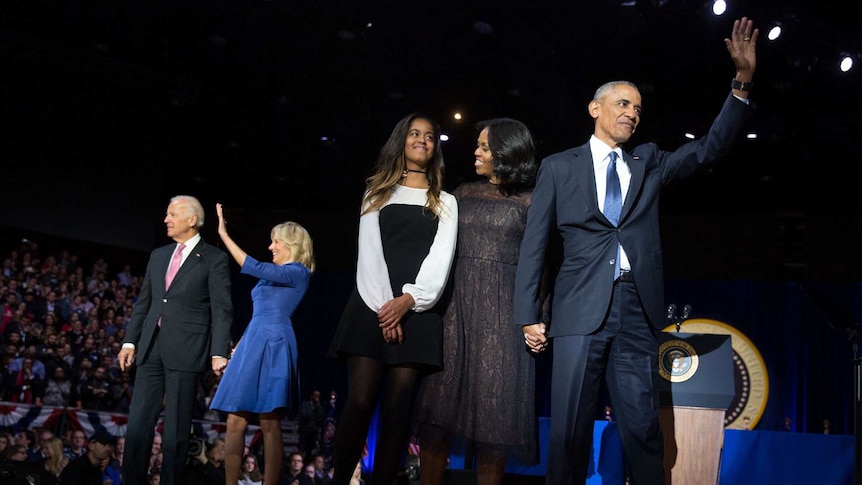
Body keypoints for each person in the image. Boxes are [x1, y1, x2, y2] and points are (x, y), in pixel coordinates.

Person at [512, 17, 759, 485]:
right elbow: (535, 244)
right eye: (622, 103)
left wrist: (741, 83)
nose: (631, 113)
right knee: (568, 432)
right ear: (594, 108)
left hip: (636, 313)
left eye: (638, 108)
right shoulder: (559, 167)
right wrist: (528, 312)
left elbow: (711, 149)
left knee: (644, 430)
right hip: (578, 310)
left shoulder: (650, 164)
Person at [413, 118, 547, 485]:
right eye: (478, 146)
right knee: (437, 416)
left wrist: (536, 317)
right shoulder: (462, 193)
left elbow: (544, 265)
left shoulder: (533, 200)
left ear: (506, 152)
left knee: (495, 421)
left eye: (485, 147)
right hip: (455, 313)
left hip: (503, 319)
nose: (476, 152)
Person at [328, 112, 458, 485]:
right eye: (415, 134)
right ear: (401, 141)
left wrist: (408, 302)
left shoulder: (445, 201)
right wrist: (387, 308)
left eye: (430, 136)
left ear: (435, 148)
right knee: (361, 401)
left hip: (418, 312)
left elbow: (440, 259)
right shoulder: (376, 191)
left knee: (399, 408)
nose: (422, 140)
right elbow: (368, 253)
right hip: (371, 307)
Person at [118, 194, 234, 485]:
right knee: (138, 426)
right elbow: (145, 302)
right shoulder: (159, 255)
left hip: (187, 349)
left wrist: (219, 350)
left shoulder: (214, 259)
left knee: (176, 431)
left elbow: (222, 308)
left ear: (191, 220)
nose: (166, 219)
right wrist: (130, 341)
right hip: (150, 347)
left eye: (172, 214)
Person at [209, 203, 316, 485]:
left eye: (275, 241)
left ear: (291, 243)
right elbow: (259, 312)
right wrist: (240, 345)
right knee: (234, 420)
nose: (271, 246)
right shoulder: (276, 274)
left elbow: (251, 265)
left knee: (269, 422)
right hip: (252, 342)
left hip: (275, 344)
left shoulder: (298, 273)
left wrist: (224, 234)